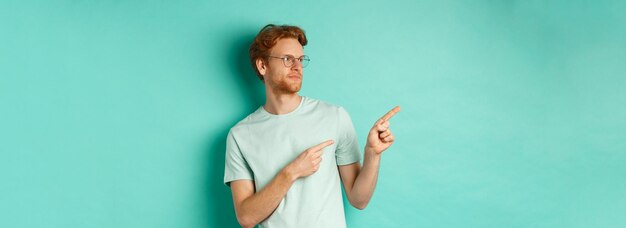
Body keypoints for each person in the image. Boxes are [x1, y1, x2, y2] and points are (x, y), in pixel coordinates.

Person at [223, 24, 400, 228]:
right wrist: (291, 172)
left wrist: (372, 154)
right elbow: (246, 218)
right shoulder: (240, 135)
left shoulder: (334, 116)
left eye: (300, 59)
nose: (297, 66)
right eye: (287, 59)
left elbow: (359, 200)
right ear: (262, 66)